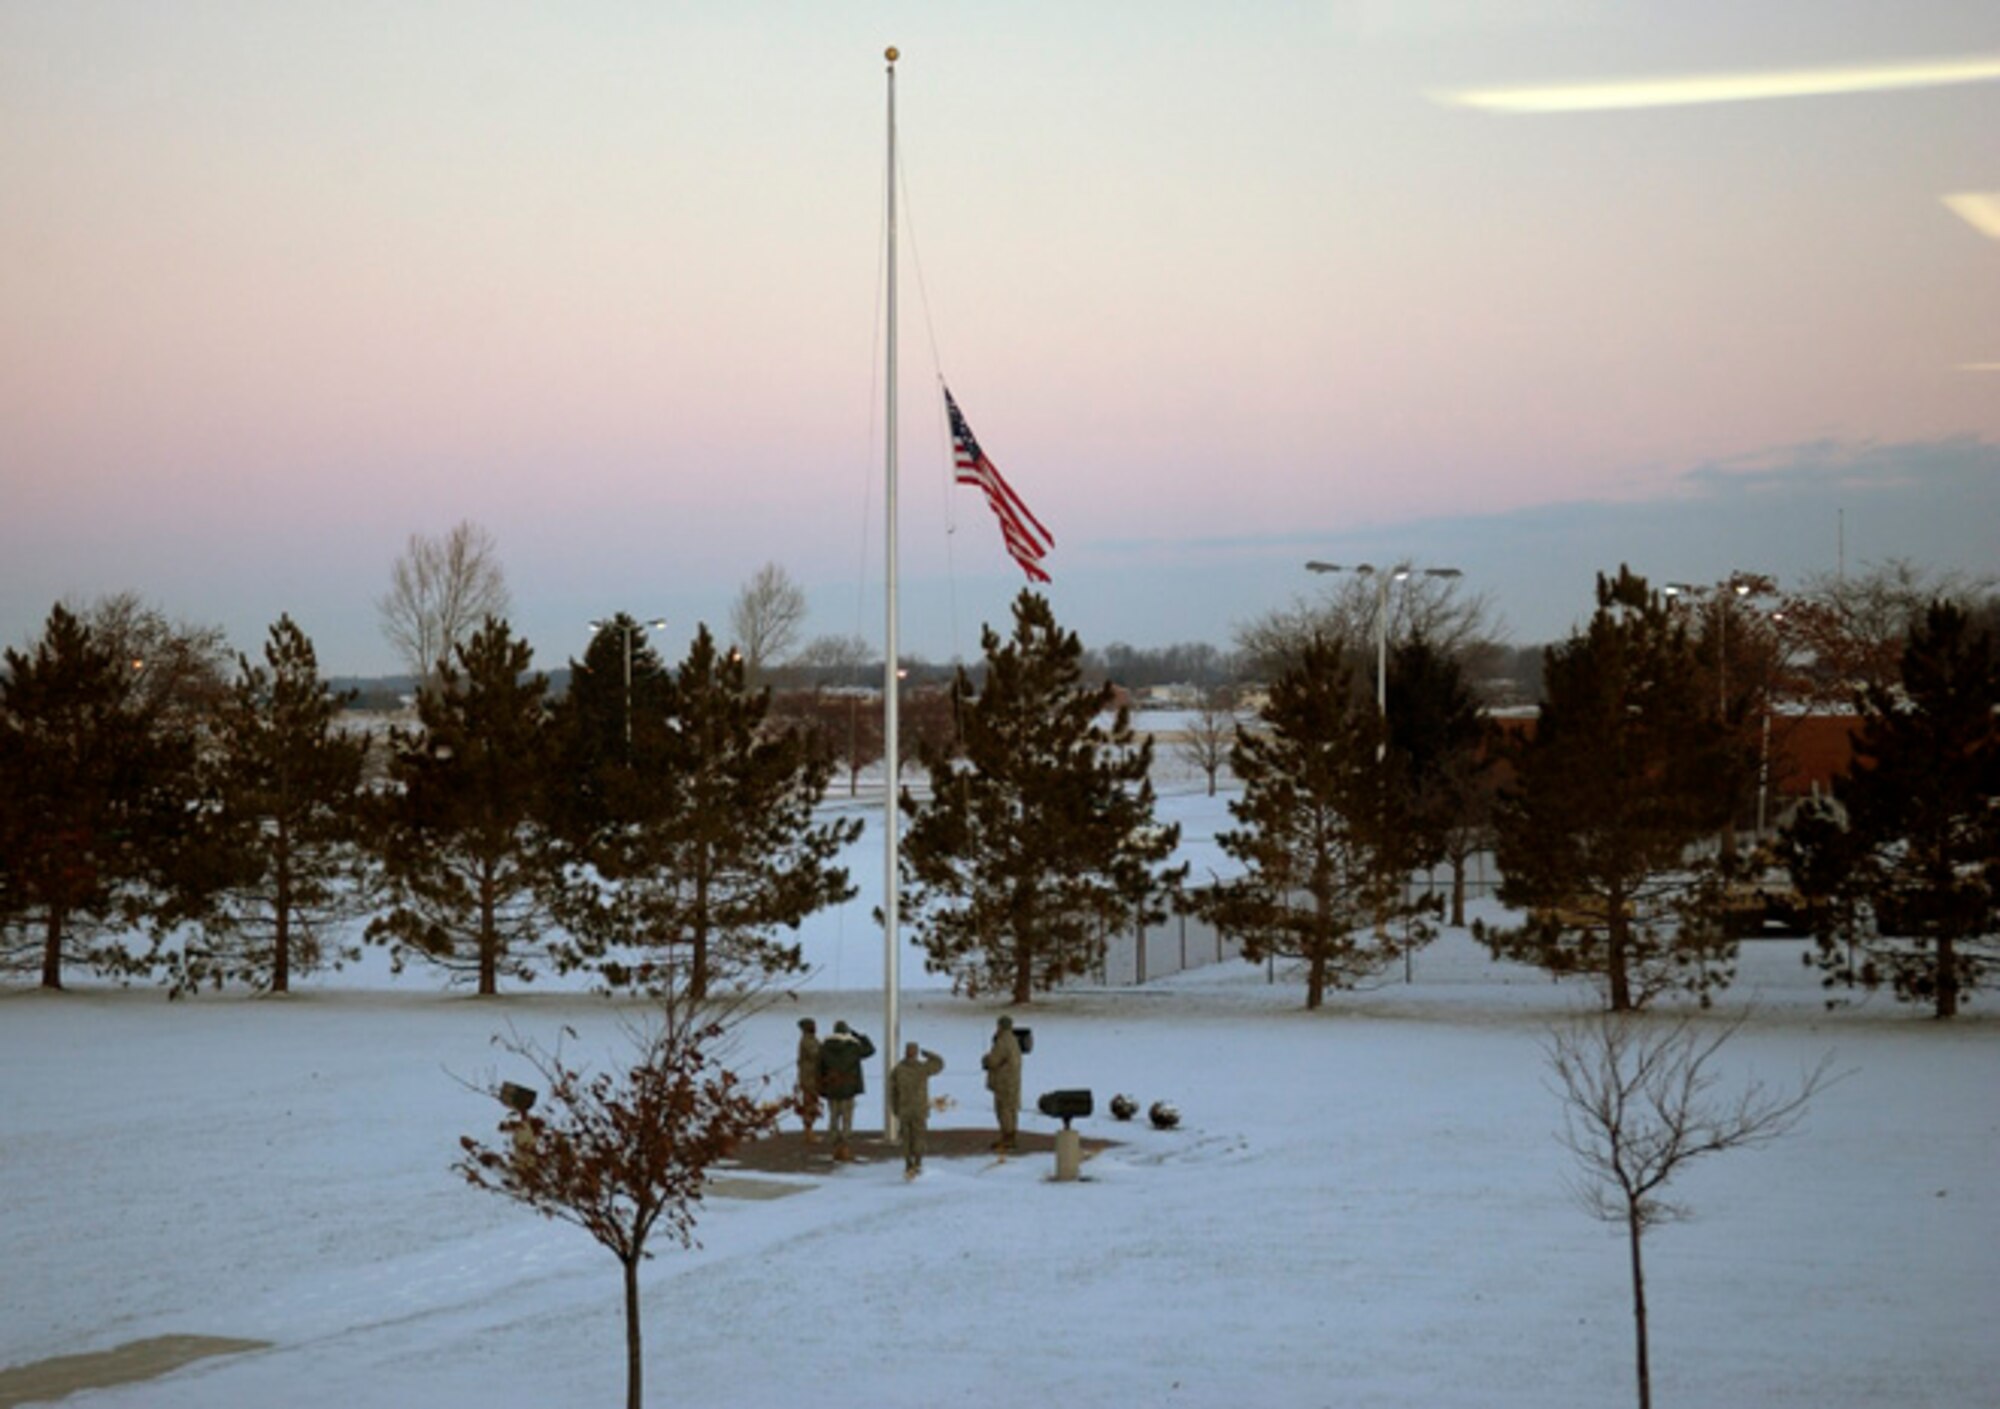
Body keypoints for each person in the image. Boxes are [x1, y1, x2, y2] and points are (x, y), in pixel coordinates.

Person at [816, 1019, 875, 1162]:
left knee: (833, 1117)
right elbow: (870, 1050)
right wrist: (859, 1036)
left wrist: (821, 1088)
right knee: (847, 1119)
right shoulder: (853, 1047)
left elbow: (819, 1068)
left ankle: (835, 1146)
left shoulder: (825, 1047)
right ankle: (845, 1146)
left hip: (832, 1087)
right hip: (848, 1088)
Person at [888, 1042, 945, 1177]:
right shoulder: (922, 1068)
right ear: (916, 1053)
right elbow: (939, 1063)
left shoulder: (898, 1070)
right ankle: (918, 1162)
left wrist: (895, 1108)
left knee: (906, 1137)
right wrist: (928, 1054)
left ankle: (908, 1162)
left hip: (904, 1109)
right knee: (919, 1136)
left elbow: (892, 1092)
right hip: (919, 1109)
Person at [981, 1014, 1023, 1152]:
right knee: (1011, 1109)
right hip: (1012, 1081)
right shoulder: (1013, 1040)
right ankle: (1011, 1136)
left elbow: (994, 1061)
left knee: (1003, 1109)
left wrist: (985, 1060)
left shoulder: (1003, 1041)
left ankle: (1007, 1138)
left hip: (1004, 1082)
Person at [794, 1018, 823, 1142]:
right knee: (809, 1106)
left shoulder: (812, 1039)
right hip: (809, 1079)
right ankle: (808, 1133)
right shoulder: (807, 1041)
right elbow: (816, 1054)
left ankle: (809, 1132)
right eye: (812, 1025)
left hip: (812, 1077)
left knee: (812, 1104)